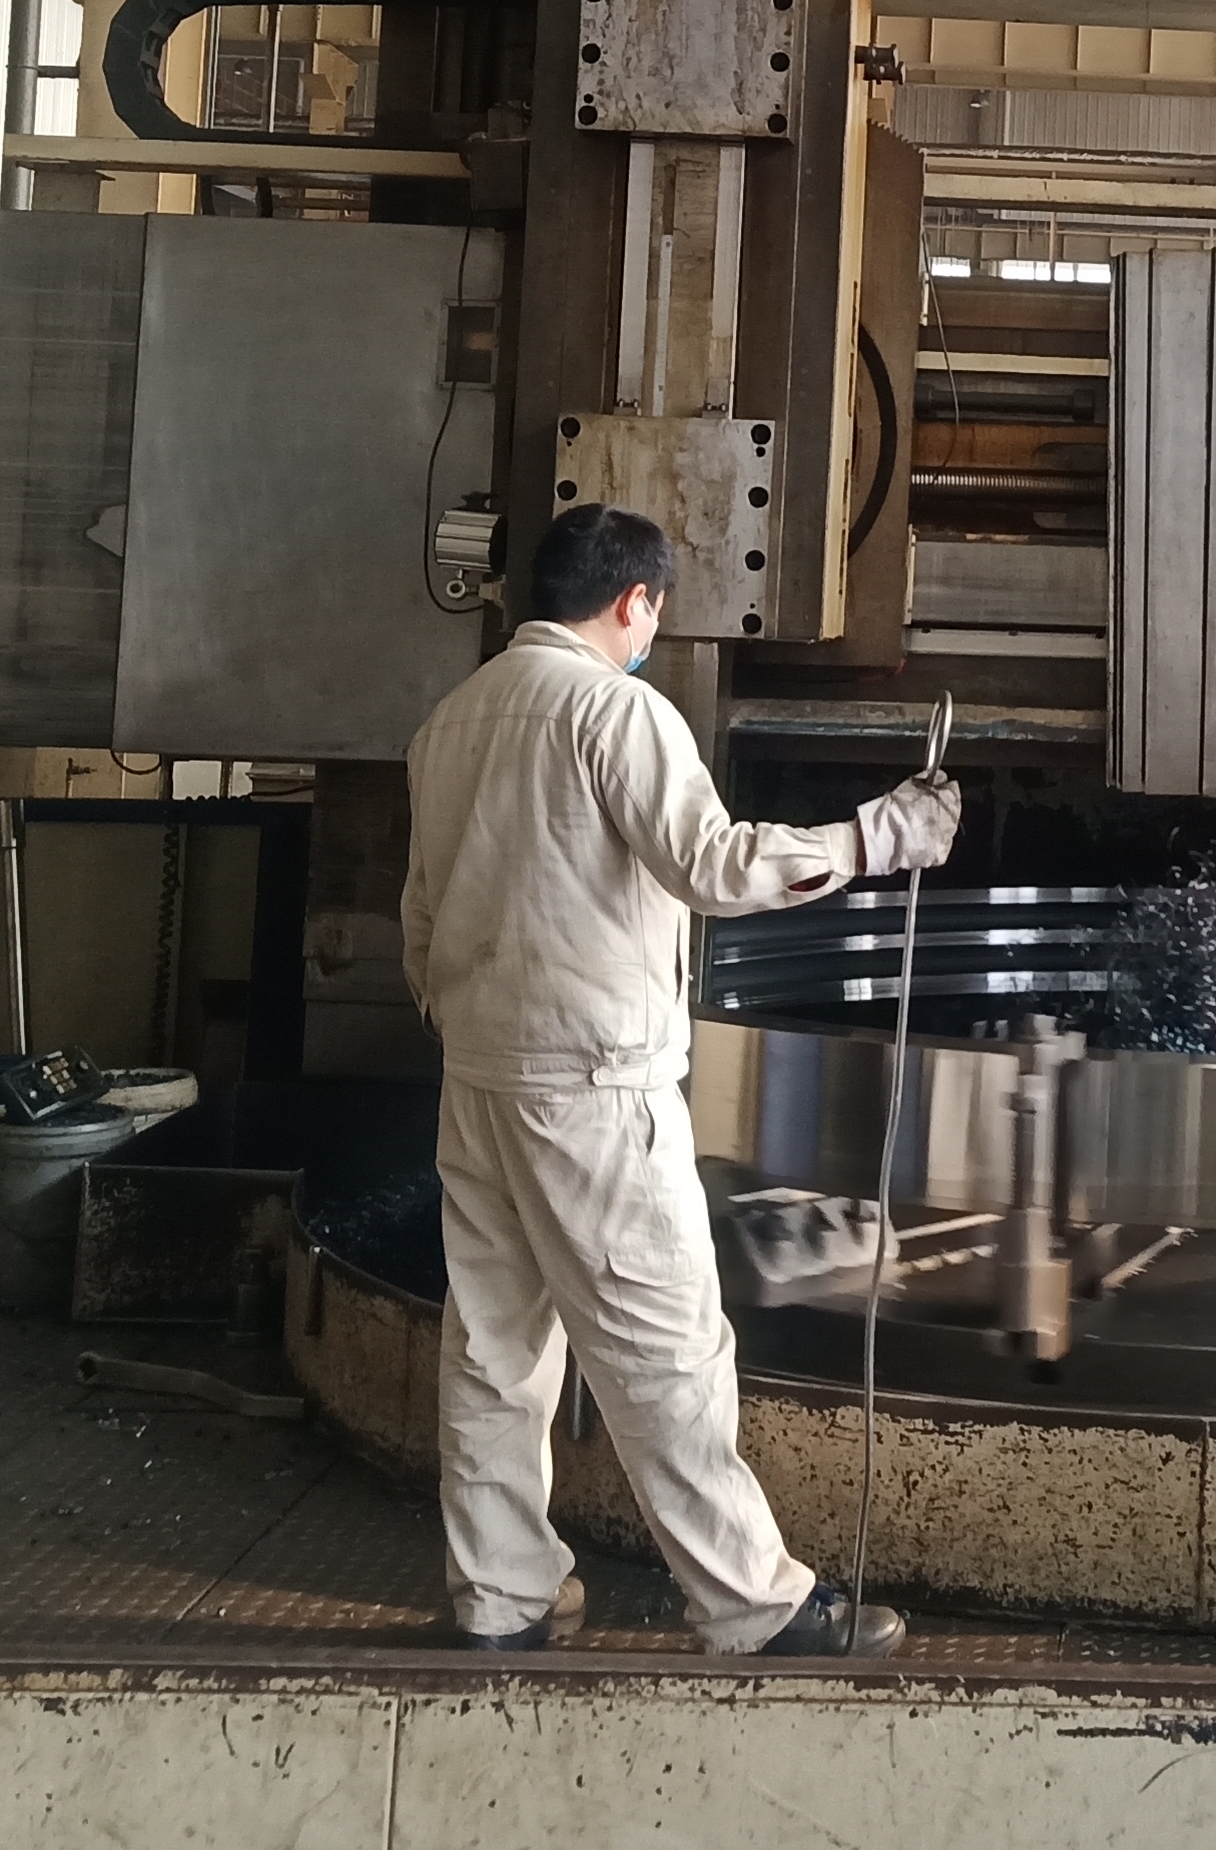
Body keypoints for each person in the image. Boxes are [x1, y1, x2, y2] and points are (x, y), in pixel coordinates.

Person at [401, 499, 960, 1655]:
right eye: (656, 609)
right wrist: (877, 838)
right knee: (665, 1349)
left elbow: (419, 917)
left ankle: (501, 1600)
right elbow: (714, 866)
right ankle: (755, 1607)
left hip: (479, 1078)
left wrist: (466, 1023)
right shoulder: (615, 711)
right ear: (634, 601)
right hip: (594, 1085)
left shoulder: (449, 722)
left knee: (495, 1350)